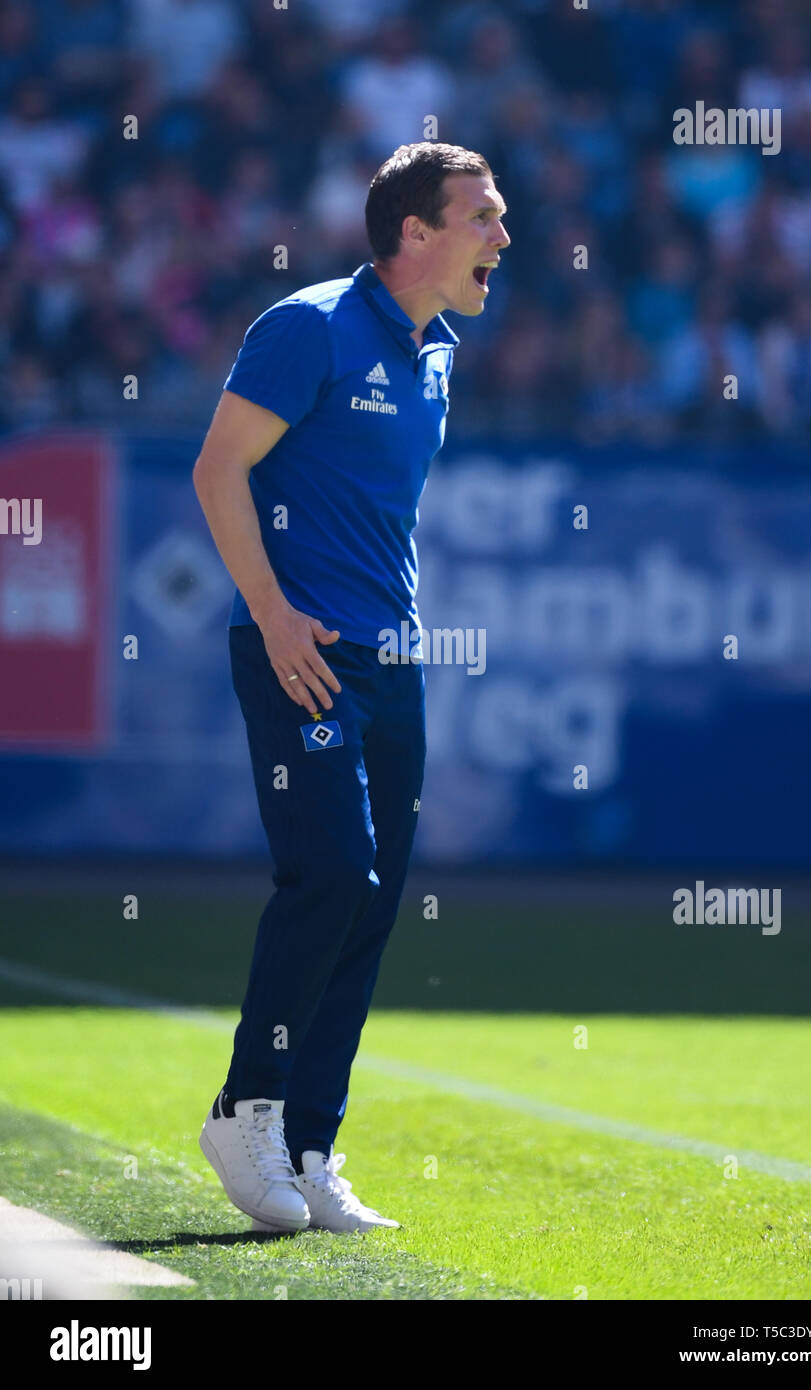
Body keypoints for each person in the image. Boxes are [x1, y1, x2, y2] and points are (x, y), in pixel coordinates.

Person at [192, 141, 509, 1233]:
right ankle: (246, 1108)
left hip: (392, 659)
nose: (502, 239)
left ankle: (312, 1145)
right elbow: (217, 467)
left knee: (371, 899)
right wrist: (275, 613)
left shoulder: (439, 353)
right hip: (303, 649)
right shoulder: (308, 326)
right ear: (413, 233)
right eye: (482, 218)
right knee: (331, 874)